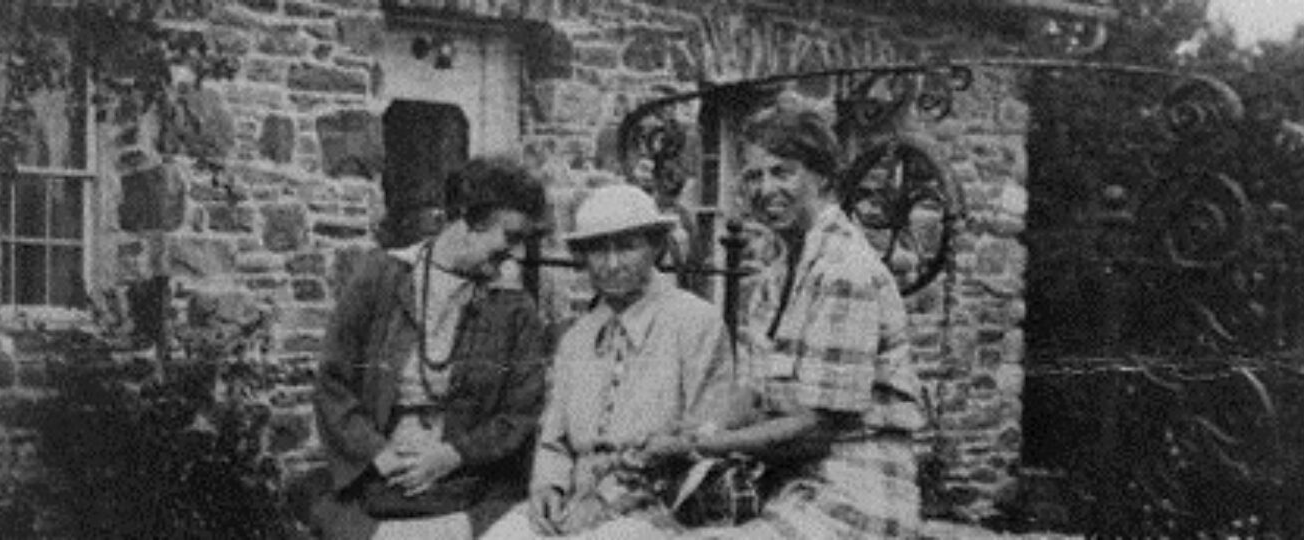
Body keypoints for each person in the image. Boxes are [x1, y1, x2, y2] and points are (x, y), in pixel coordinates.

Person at [670, 99, 929, 539]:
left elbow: (814, 432)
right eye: (753, 175)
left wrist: (700, 445)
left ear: (823, 177)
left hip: (855, 498)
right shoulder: (774, 278)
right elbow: (753, 398)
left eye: (782, 171)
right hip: (788, 489)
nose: (765, 189)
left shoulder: (844, 269)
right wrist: (690, 431)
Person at [312, 156, 551, 540]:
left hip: (471, 488)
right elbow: (333, 383)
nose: (517, 254)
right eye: (511, 237)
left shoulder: (514, 307)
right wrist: (380, 456)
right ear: (467, 221)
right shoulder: (380, 279)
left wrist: (451, 456)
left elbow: (521, 411)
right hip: (381, 483)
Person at [480, 184, 737, 540]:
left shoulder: (696, 324)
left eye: (628, 246)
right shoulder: (577, 338)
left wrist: (610, 501)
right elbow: (554, 440)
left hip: (660, 506)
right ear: (582, 256)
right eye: (599, 248)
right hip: (576, 501)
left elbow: (704, 439)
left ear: (656, 247)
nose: (612, 263)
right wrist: (548, 489)